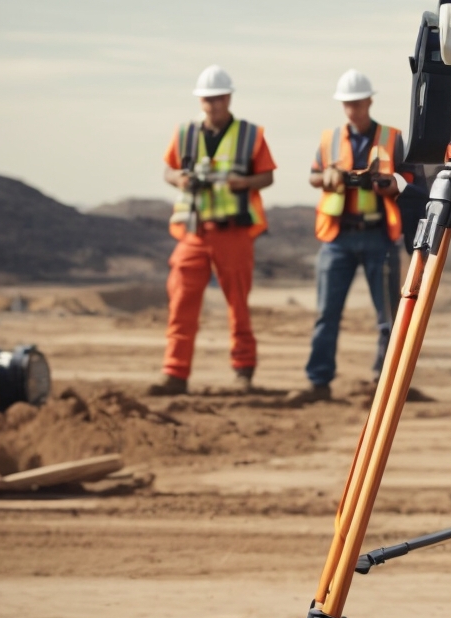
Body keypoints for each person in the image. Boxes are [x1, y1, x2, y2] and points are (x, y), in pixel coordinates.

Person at [150, 64, 275, 395]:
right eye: (207, 99)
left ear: (229, 97)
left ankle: (243, 373)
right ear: (200, 101)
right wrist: (179, 178)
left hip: (233, 233)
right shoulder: (185, 133)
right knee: (180, 302)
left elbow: (267, 176)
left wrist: (244, 183)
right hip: (193, 230)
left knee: (238, 306)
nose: (213, 104)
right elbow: (168, 170)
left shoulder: (251, 134)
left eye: (218, 98)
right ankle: (174, 373)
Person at [295, 70, 413, 403]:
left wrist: (387, 182)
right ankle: (318, 382)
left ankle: (385, 383)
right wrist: (329, 176)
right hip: (338, 238)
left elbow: (408, 179)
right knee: (326, 315)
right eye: (347, 104)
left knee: (387, 317)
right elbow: (314, 177)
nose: (352, 109)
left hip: (379, 235)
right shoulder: (329, 139)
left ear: (369, 101)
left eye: (357, 102)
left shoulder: (392, 137)